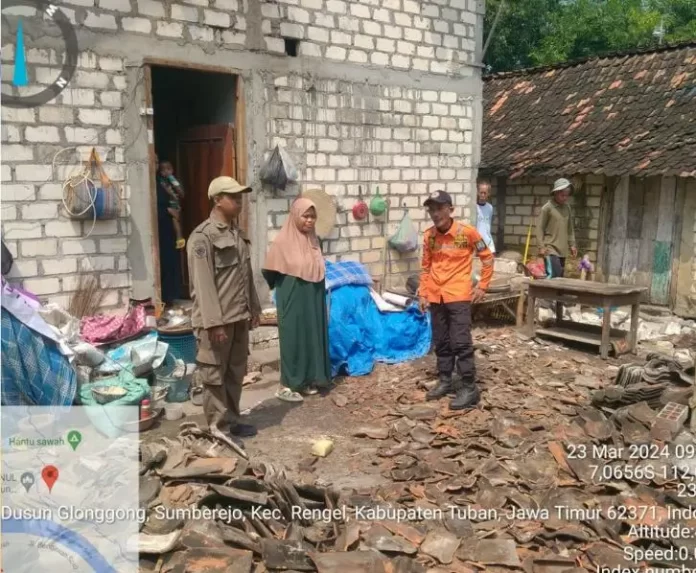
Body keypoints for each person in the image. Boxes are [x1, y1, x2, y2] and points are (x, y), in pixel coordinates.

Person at [187, 176, 261, 446]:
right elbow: (203, 284)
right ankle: (218, 429)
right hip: (216, 322)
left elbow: (246, 276)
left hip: (237, 317)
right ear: (217, 200)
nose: (239, 201)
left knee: (235, 372)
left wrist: (253, 307)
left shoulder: (235, 234)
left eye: (240, 196)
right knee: (214, 375)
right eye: (233, 196)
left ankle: (233, 419)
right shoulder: (202, 237)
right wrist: (214, 323)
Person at [418, 190, 494, 410]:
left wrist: (483, 286)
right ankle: (445, 380)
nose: (435, 213)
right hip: (436, 295)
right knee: (441, 342)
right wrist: (423, 293)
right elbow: (425, 267)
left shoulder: (467, 233)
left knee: (460, 342)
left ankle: (469, 387)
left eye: (440, 208)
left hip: (458, 296)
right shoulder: (429, 236)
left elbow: (487, 258)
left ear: (450, 209)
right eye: (431, 209)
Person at [262, 198, 331, 402]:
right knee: (293, 335)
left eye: (312, 217)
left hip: (313, 293)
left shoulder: (313, 239)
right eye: (305, 216)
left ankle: (307, 379)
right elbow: (270, 271)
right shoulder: (283, 241)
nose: (309, 221)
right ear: (295, 216)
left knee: (311, 334)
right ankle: (287, 384)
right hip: (293, 292)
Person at [536, 178, 577, 278]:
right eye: (562, 195)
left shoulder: (567, 208)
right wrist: (541, 246)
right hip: (550, 249)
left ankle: (557, 294)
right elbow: (540, 228)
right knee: (553, 276)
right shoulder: (547, 208)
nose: (565, 198)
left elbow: (570, 228)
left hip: (563, 250)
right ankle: (546, 293)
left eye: (566, 195)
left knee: (560, 277)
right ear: (555, 193)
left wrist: (572, 244)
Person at [157, 160, 186, 250]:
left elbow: (181, 192)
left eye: (168, 169)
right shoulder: (160, 180)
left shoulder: (172, 179)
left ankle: (179, 238)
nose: (166, 171)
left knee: (175, 220)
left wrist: (173, 193)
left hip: (173, 203)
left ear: (172, 170)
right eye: (163, 169)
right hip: (168, 205)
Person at [475, 180, 495, 255]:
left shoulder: (490, 208)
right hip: (478, 241)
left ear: (488, 194)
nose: (483, 195)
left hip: (488, 240)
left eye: (485, 193)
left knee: (492, 259)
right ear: (477, 192)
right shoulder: (474, 207)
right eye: (481, 192)